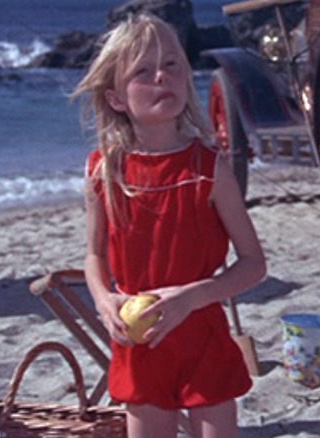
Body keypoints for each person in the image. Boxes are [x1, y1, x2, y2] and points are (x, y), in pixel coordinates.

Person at [72, 13, 266, 438]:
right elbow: (93, 255)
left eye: (173, 65)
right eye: (143, 71)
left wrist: (192, 297)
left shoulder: (208, 169)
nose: (162, 76)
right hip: (140, 344)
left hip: (203, 334)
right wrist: (104, 300)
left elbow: (253, 264)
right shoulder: (104, 172)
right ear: (117, 98)